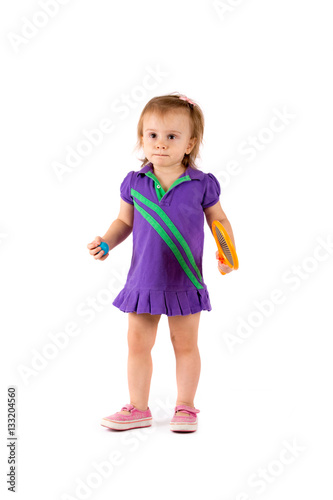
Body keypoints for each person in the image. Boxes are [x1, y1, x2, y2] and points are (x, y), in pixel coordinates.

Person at [87, 93, 236, 433]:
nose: (161, 144)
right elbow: (124, 222)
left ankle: (186, 407)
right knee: (137, 345)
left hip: (184, 280)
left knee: (185, 346)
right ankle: (138, 408)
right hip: (144, 281)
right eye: (153, 135)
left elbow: (219, 222)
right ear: (142, 138)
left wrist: (228, 254)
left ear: (190, 143)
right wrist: (107, 241)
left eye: (172, 137)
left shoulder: (201, 183)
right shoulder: (134, 182)